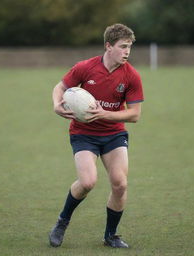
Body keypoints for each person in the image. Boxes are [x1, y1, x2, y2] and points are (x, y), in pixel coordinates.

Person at [49, 23, 144, 249]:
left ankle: (110, 236)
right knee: (88, 182)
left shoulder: (131, 75)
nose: (127, 52)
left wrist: (105, 114)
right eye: (122, 46)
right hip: (84, 134)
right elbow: (59, 87)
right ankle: (62, 222)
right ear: (108, 46)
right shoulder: (85, 67)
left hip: (113, 134)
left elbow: (135, 115)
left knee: (120, 184)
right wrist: (56, 105)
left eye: (129, 47)